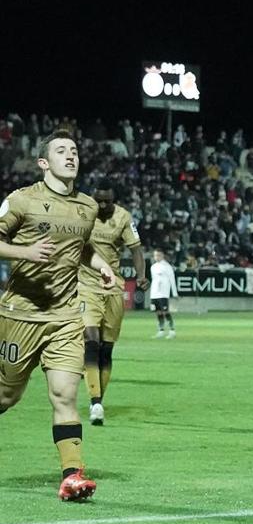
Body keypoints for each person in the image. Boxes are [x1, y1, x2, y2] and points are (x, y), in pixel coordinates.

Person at [0, 130, 116, 501]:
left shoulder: (87, 207)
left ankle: (72, 476)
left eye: (75, 151)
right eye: (61, 151)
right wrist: (25, 252)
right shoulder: (22, 200)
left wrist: (102, 265)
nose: (71, 156)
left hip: (66, 317)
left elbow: (83, 248)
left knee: (65, 394)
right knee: (5, 397)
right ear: (43, 162)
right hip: (20, 314)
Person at [81, 182, 146, 425]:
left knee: (106, 349)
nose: (103, 205)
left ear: (114, 199)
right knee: (91, 340)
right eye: (99, 200)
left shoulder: (123, 217)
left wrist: (140, 275)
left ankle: (97, 401)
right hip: (85, 285)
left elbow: (136, 249)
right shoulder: (82, 213)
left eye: (107, 201)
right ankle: (95, 401)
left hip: (114, 287)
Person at [149, 249, 178, 338]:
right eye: (155, 255)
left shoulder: (167, 267)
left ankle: (172, 330)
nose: (156, 257)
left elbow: (172, 280)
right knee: (158, 312)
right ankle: (161, 330)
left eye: (158, 255)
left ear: (162, 256)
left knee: (165, 311)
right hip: (154, 293)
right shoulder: (153, 267)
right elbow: (154, 280)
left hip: (163, 293)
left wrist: (174, 293)